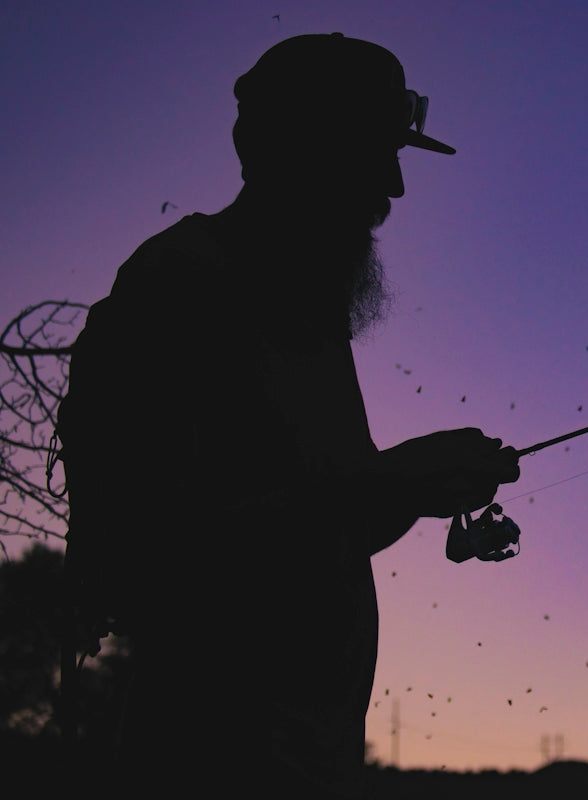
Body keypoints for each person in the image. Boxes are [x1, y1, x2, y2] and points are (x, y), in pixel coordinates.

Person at [56, 33, 519, 798]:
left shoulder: (307, 309)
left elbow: (328, 528)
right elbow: (149, 559)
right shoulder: (182, 284)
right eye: (376, 155)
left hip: (315, 764)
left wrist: (415, 486)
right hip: (207, 761)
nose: (395, 189)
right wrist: (387, 482)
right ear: (301, 150)